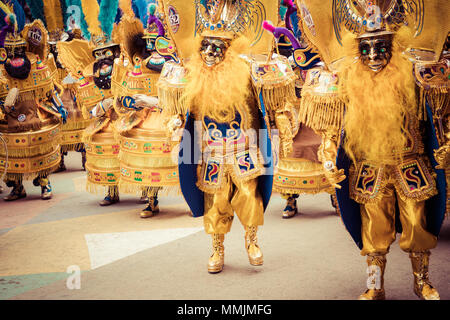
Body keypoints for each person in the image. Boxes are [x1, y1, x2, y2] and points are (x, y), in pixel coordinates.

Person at [295, 0, 448, 300]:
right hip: (369, 170)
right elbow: (332, 127)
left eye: (382, 47)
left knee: (417, 225)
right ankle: (374, 285)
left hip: (410, 165)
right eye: (366, 49)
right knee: (374, 232)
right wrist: (327, 158)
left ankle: (422, 281)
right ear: (357, 50)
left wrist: (444, 145)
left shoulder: (414, 77)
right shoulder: (347, 82)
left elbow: (436, 117)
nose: (375, 55)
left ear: (394, 46)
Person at [158, 0, 290, 273]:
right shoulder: (191, 76)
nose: (209, 53)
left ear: (229, 51)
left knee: (248, 196)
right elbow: (180, 111)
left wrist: (281, 125)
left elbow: (270, 104)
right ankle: (217, 249)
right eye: (204, 46)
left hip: (243, 150)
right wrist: (173, 124)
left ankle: (252, 241)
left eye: (216, 47)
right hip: (210, 153)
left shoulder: (247, 74)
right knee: (215, 203)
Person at [112, 2, 180, 218]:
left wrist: (155, 102)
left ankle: (191, 198)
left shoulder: (174, 67)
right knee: (145, 158)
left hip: (169, 116)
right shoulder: (136, 69)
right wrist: (135, 102)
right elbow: (124, 97)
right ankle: (151, 200)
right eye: (149, 45)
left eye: (156, 45)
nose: (152, 51)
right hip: (144, 119)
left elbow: (181, 95)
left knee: (184, 155)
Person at [0, 0, 66, 201]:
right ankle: (17, 187)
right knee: (11, 156)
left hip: (36, 116)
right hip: (10, 120)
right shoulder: (2, 72)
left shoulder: (37, 67)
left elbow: (50, 91)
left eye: (20, 51)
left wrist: (59, 107)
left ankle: (45, 185)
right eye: (12, 53)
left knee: (40, 155)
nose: (17, 57)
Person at [57, 0, 122, 206]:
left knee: (130, 152)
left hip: (123, 120)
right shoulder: (89, 72)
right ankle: (111, 191)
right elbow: (87, 105)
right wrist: (96, 108)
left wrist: (116, 103)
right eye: (99, 54)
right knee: (106, 153)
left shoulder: (123, 68)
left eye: (107, 53)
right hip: (102, 123)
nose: (103, 59)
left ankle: (142, 191)